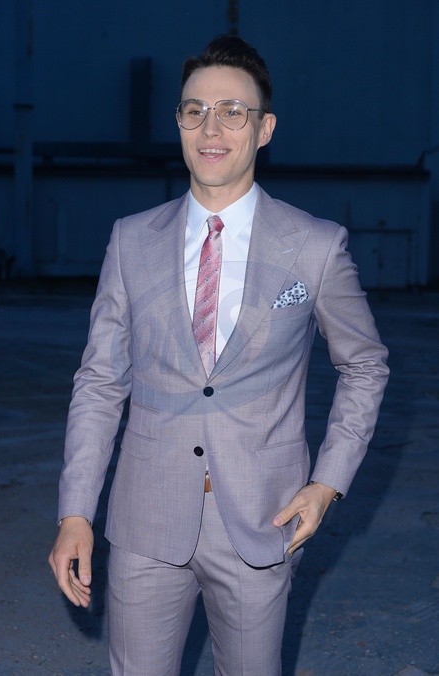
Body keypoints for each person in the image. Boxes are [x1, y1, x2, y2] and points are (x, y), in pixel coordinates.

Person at [49, 35, 389, 675]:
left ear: (264, 129)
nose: (212, 128)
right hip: (146, 520)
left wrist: (326, 484)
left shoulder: (315, 245)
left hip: (263, 517)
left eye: (233, 111)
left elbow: (365, 365)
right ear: (178, 123)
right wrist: (75, 512)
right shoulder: (130, 241)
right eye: (195, 110)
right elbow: (99, 382)